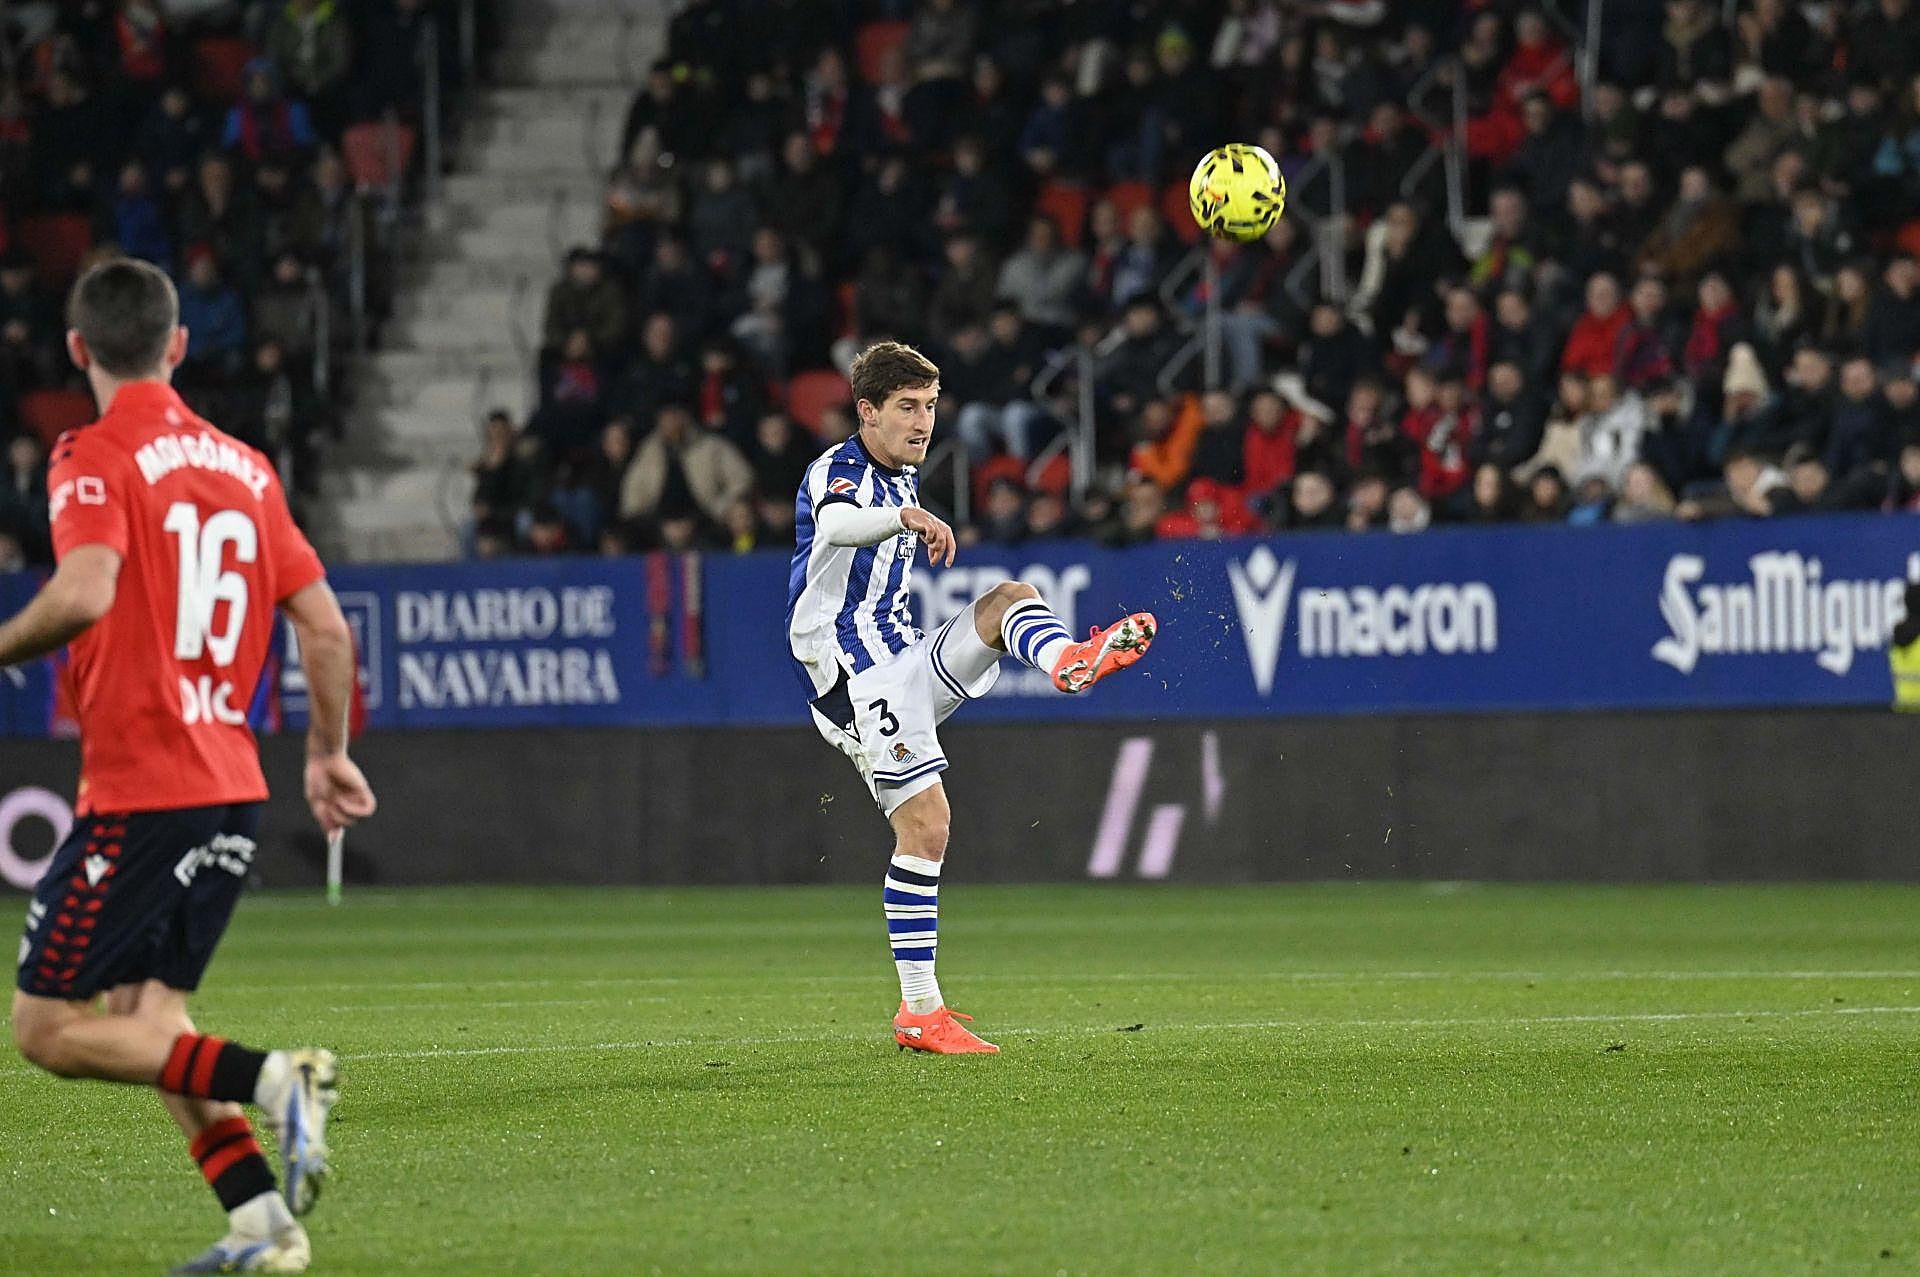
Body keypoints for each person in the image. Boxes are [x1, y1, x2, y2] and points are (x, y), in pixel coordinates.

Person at [3, 259, 375, 1273]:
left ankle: (276, 1077)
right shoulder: (247, 465)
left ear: (78, 349)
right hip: (233, 784)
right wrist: (328, 752)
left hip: (144, 791)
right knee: (148, 1019)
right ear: (177, 344)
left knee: (43, 1026)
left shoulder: (89, 450)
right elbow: (326, 627)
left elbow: (83, 591)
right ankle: (262, 1221)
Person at [786, 342, 1157, 1055]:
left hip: (898, 655)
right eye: (906, 407)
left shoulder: (905, 477)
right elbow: (834, 526)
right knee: (926, 825)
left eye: (929, 406)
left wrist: (908, 513)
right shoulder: (841, 469)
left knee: (1007, 600)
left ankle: (1069, 659)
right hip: (850, 674)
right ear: (867, 411)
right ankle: (921, 1010)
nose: (923, 421)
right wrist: (905, 521)